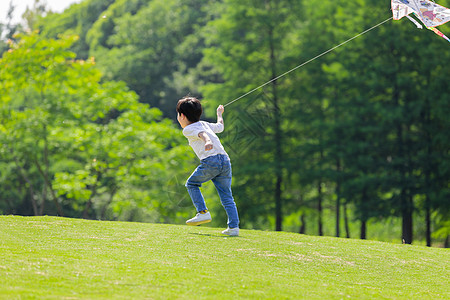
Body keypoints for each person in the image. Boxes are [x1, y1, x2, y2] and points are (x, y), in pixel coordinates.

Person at [176, 96, 240, 236]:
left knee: (191, 184)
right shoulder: (204, 123)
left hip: (211, 161)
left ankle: (203, 212)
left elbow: (203, 134)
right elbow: (220, 127)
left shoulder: (188, 129)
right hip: (225, 160)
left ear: (182, 116)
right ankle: (234, 228)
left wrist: (207, 141)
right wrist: (219, 114)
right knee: (227, 196)